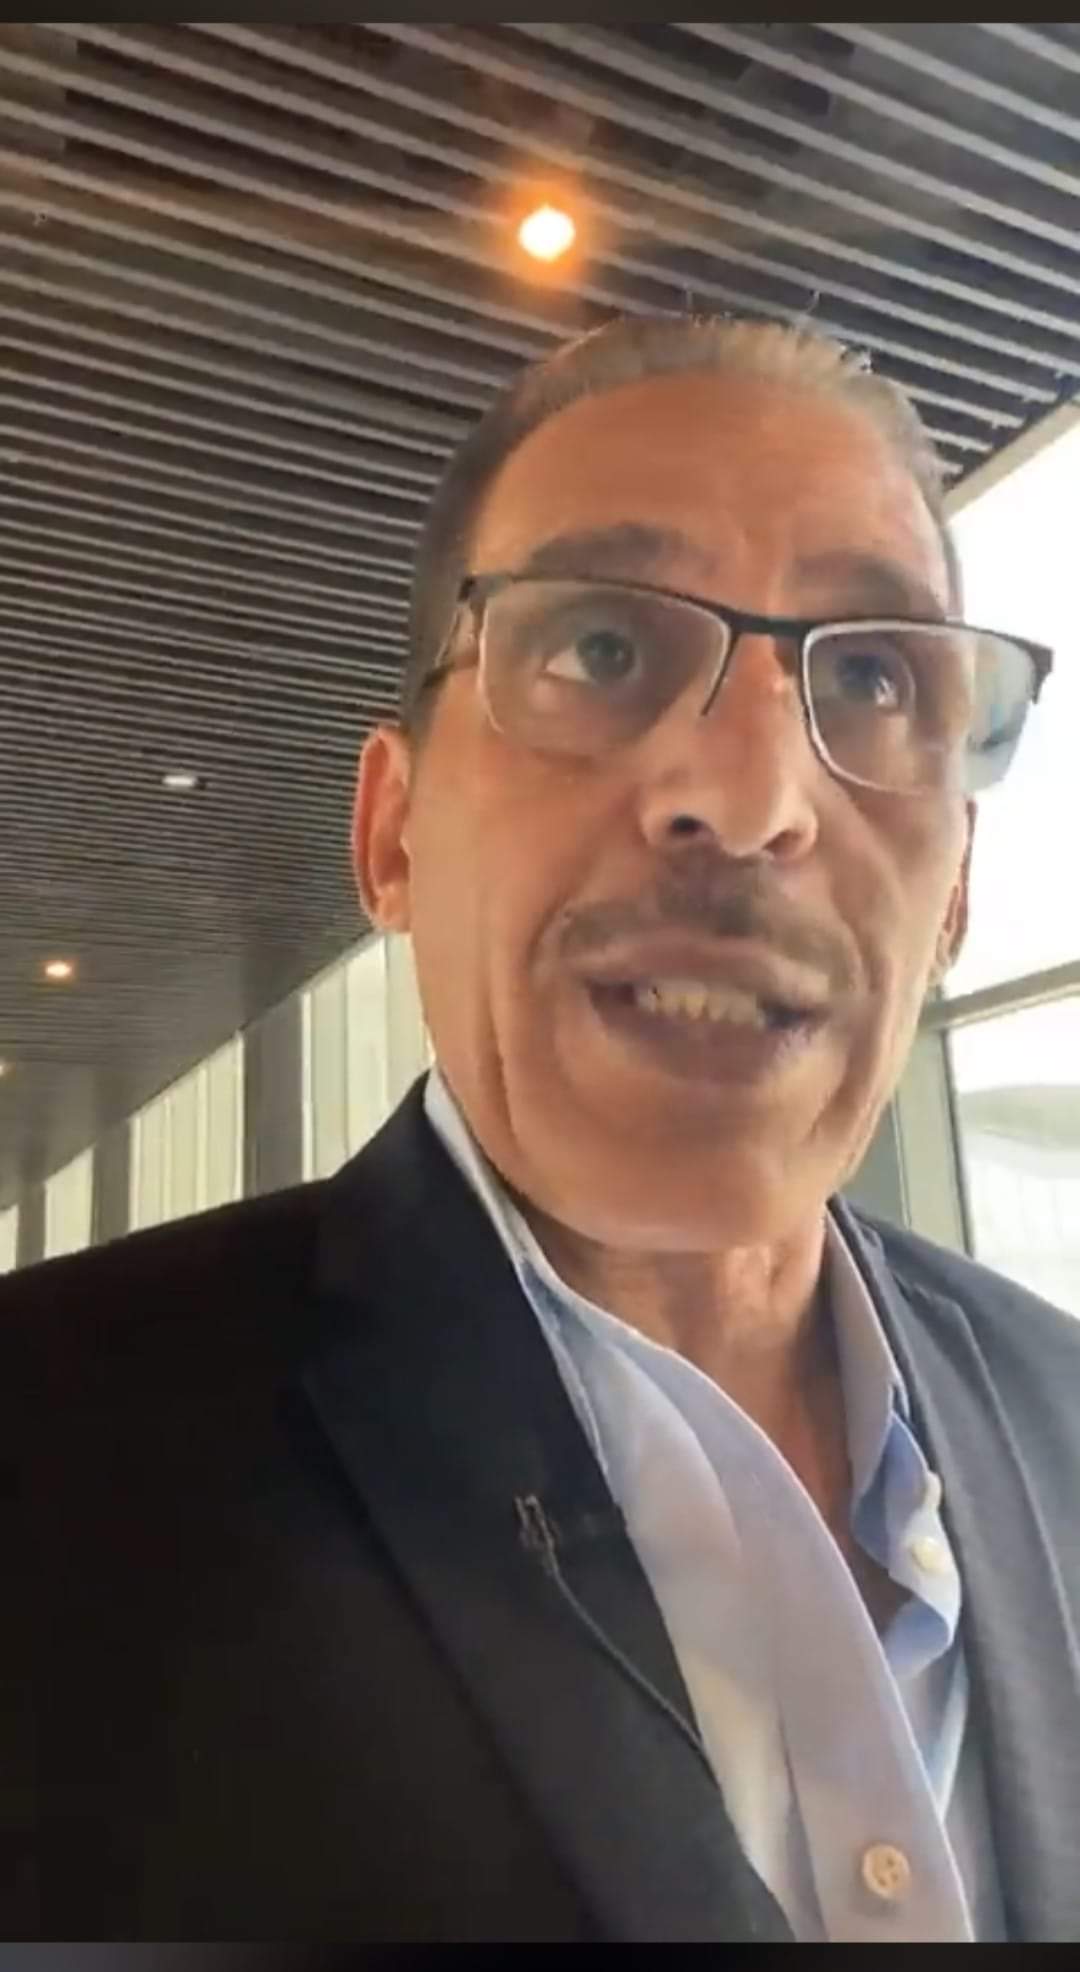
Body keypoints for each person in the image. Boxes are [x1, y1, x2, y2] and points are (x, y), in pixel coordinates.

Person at [2, 314, 1077, 1949]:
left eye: (873, 678)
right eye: (600, 649)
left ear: (957, 900)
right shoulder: (51, 1468)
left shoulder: (1065, 1423)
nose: (751, 798)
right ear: (394, 836)